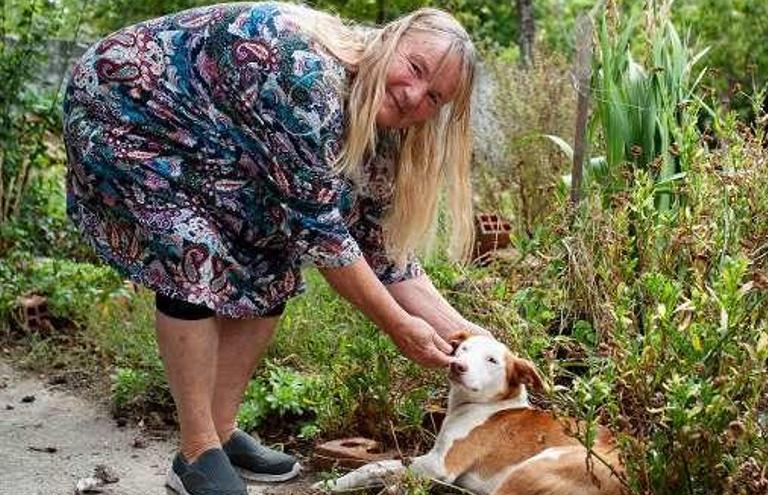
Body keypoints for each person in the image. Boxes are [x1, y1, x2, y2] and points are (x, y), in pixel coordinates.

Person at [62, 3, 488, 494]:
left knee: (273, 255)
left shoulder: (383, 128)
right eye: (414, 69)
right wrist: (397, 325)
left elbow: (383, 253)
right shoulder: (307, 78)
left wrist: (475, 339)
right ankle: (197, 452)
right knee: (191, 246)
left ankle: (221, 432)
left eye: (435, 96)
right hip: (124, 110)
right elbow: (322, 234)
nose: (414, 96)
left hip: (205, 136)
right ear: (390, 40)